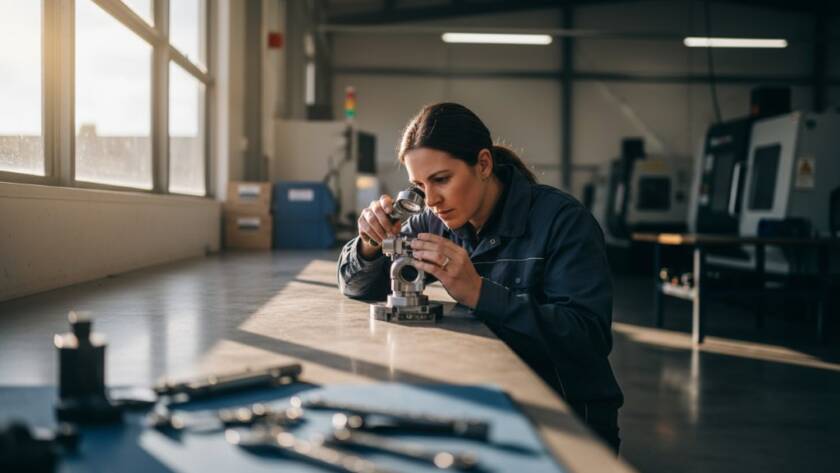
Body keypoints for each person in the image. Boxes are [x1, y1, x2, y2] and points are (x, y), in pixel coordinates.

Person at [337, 102, 623, 453]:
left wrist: (478, 292)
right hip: (490, 407)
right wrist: (369, 244)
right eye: (419, 185)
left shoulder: (563, 223)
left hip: (569, 420)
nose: (431, 199)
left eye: (442, 179)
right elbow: (356, 286)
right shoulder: (433, 219)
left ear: (484, 164)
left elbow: (587, 339)